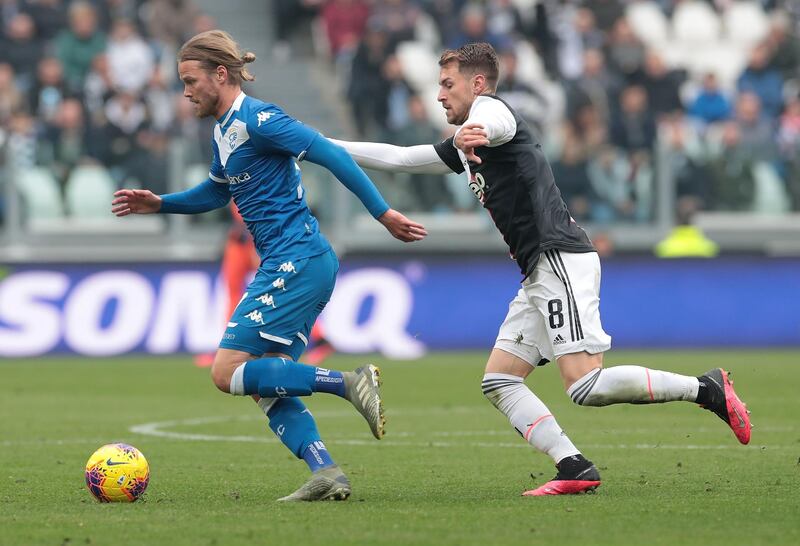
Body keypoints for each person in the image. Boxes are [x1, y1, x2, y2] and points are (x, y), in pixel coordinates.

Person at [331, 42, 751, 496]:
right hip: (539, 271)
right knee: (500, 380)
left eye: (447, 85)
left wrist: (476, 131)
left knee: (584, 385)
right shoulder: (466, 137)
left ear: (477, 84)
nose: (439, 95)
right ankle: (574, 466)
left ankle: (705, 389)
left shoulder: (494, 115)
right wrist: (319, 146)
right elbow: (401, 157)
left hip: (559, 258)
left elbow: (495, 121)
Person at [111, 30, 427, 502]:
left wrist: (382, 212)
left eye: (190, 80)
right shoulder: (224, 130)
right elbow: (218, 191)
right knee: (266, 381)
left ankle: (347, 382)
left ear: (221, 74)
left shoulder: (260, 119)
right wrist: (161, 204)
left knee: (227, 372)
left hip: (297, 259)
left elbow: (332, 154)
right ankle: (326, 473)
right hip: (295, 262)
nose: (186, 91)